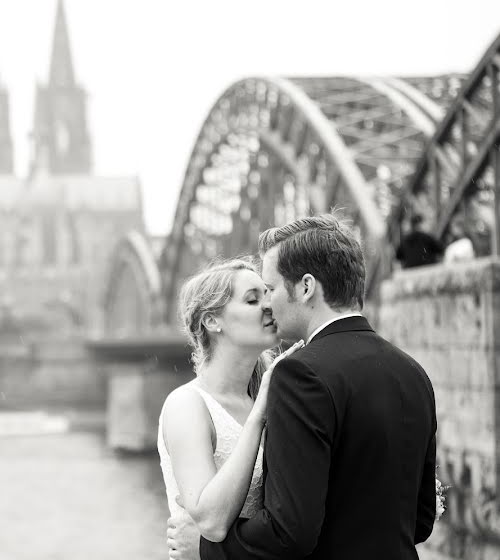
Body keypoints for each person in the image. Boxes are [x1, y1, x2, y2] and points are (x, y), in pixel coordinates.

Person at [169, 214, 438, 559]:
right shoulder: (413, 373)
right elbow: (421, 520)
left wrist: (207, 549)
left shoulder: (300, 375)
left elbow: (289, 533)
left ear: (306, 287)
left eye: (271, 289)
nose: (267, 303)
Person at [158, 257, 301, 558]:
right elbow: (211, 522)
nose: (268, 306)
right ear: (212, 321)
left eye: (268, 294)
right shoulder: (187, 405)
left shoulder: (271, 397)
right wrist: (260, 413)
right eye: (252, 300)